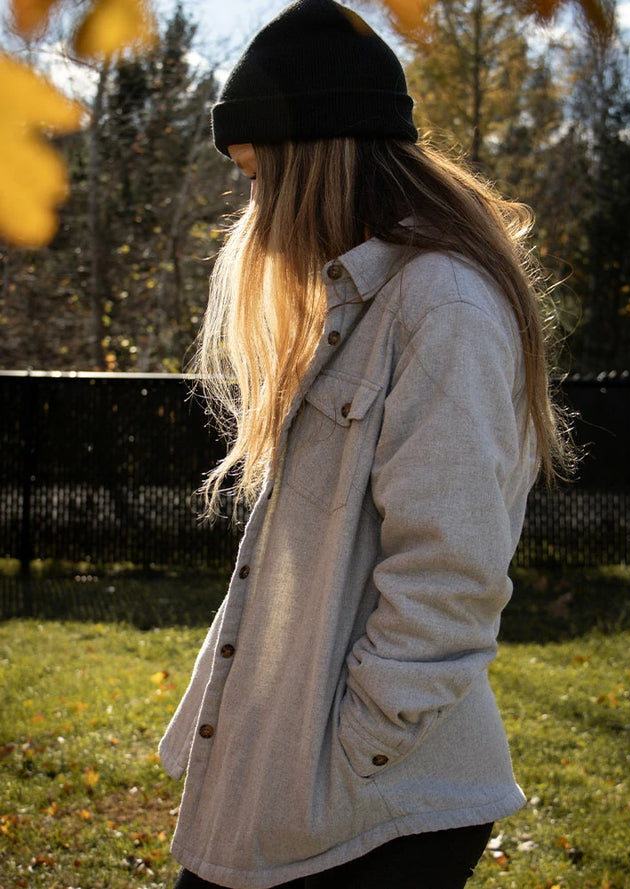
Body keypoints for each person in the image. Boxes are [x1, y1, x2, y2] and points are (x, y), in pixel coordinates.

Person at [160, 1, 573, 887]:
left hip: (376, 809)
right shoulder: (363, 298)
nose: (255, 207)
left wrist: (358, 747)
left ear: (313, 159)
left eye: (259, 176)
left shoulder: (443, 306)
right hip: (304, 789)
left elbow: (449, 573)